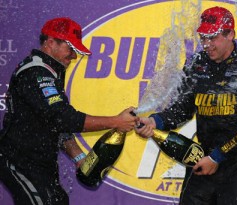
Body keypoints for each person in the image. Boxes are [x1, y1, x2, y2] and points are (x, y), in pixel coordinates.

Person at [135, 6, 237, 205]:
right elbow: (182, 108)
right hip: (202, 159)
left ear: (230, 34)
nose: (206, 44)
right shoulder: (196, 65)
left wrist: (217, 157)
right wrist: (155, 121)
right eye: (203, 38)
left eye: (212, 38)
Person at [0, 17, 138, 205]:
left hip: (41, 165)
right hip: (19, 162)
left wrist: (79, 157)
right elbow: (63, 118)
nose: (73, 56)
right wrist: (116, 121)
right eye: (70, 48)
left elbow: (56, 124)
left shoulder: (51, 71)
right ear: (50, 42)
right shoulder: (36, 72)